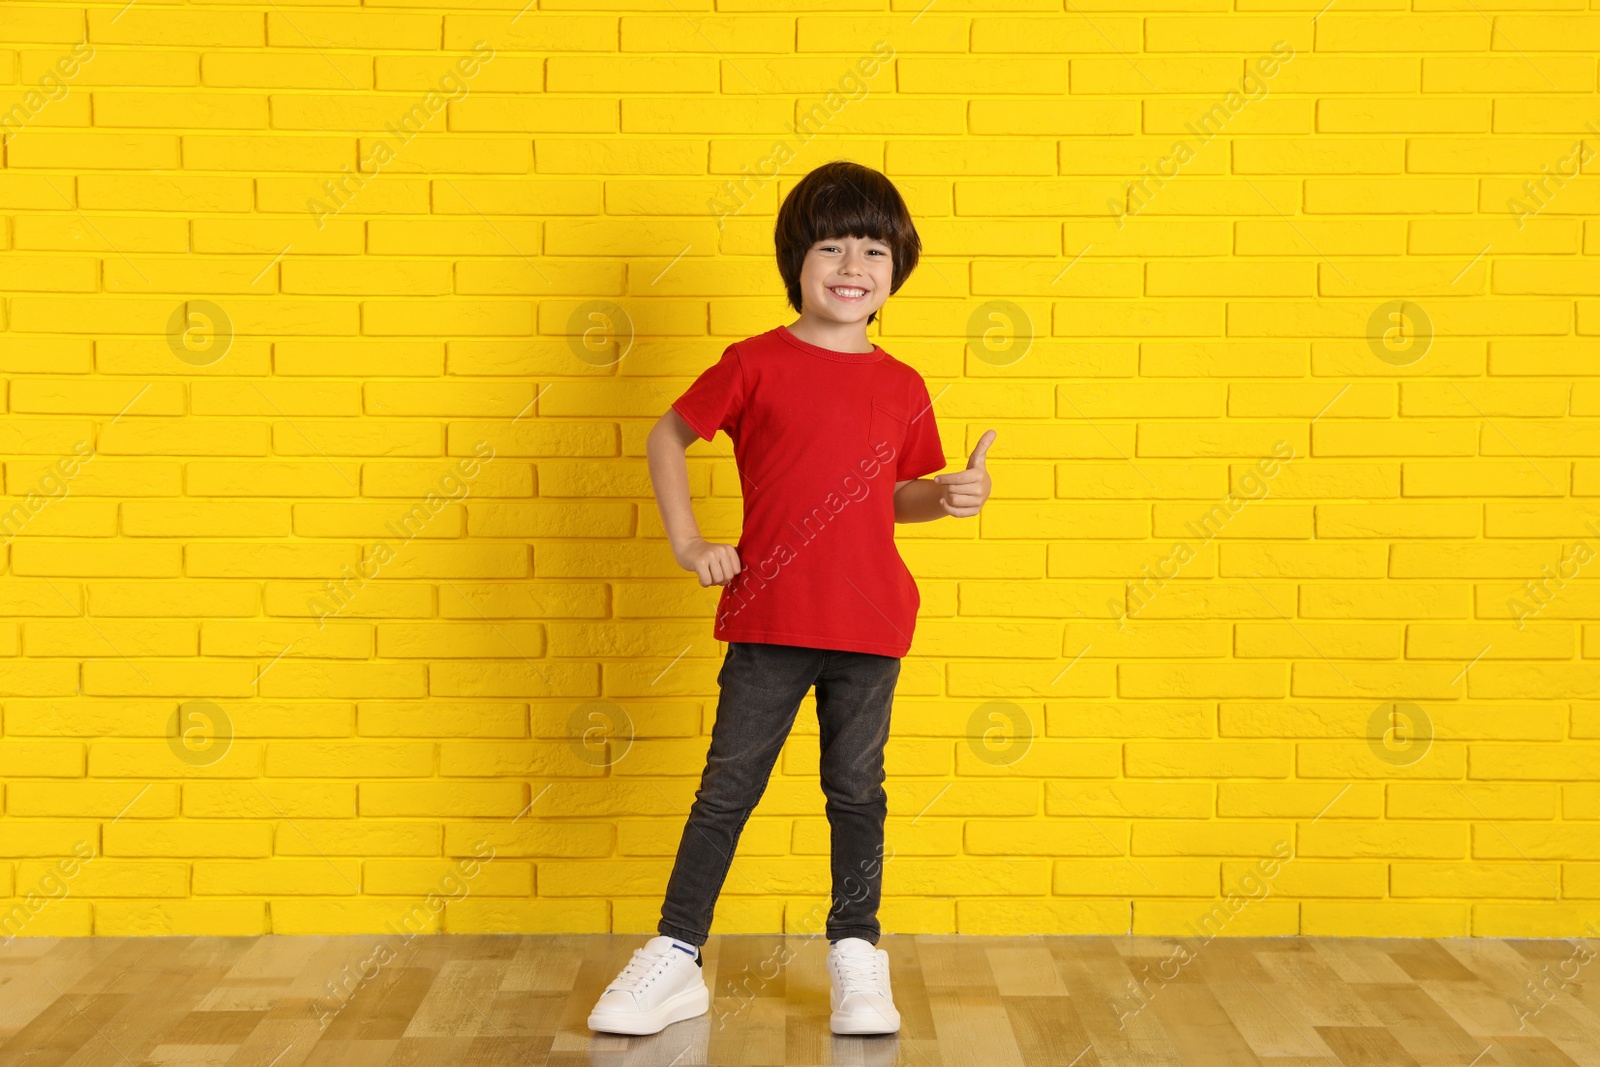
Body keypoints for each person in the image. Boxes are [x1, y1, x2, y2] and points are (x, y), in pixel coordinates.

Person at [587, 160, 996, 1038]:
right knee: (725, 792)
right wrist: (689, 541)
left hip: (871, 622)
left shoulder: (904, 384)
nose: (853, 265)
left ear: (897, 267)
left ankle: (856, 951)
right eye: (831, 246)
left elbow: (893, 495)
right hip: (770, 619)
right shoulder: (754, 363)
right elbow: (668, 433)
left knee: (857, 792)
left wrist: (951, 493)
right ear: (797, 263)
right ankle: (676, 954)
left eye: (872, 249)